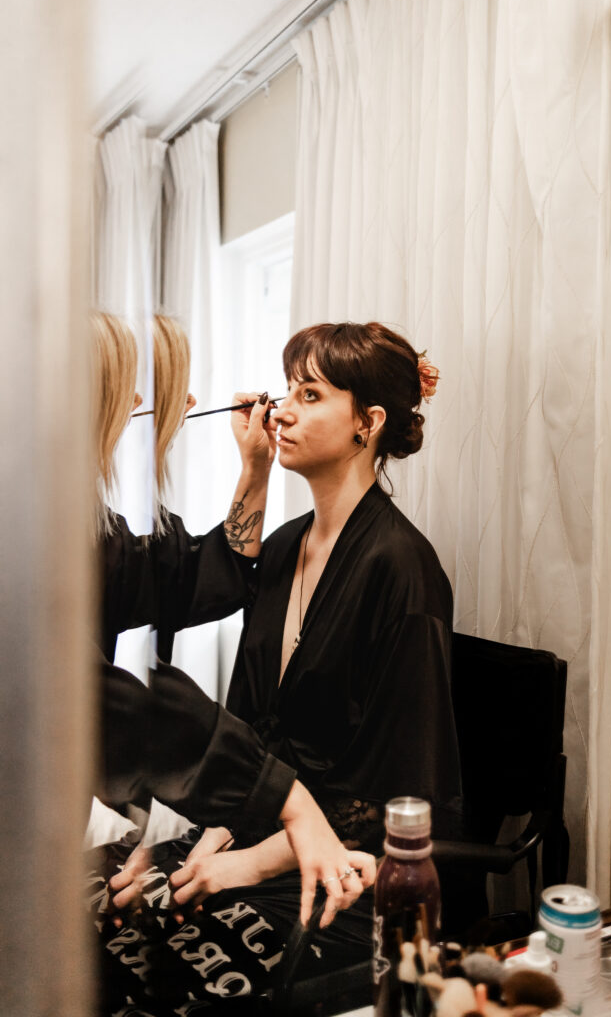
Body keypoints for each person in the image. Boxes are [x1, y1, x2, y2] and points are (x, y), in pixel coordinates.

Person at [161, 322, 461, 1004]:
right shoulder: (286, 546)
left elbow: (385, 794)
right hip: (256, 830)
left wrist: (243, 866)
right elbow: (245, 728)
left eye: (310, 393)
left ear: (368, 422)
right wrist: (216, 835)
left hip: (345, 869)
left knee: (170, 974)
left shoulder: (402, 570)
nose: (281, 411)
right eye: (286, 389)